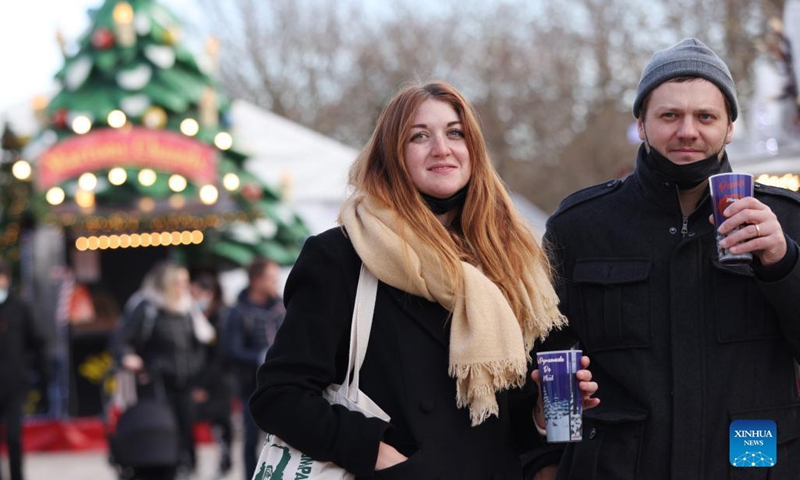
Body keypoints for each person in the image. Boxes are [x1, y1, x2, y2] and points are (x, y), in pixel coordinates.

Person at [248, 81, 599, 479]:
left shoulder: (506, 261)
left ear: (474, 150)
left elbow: (496, 428)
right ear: (391, 156)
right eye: (419, 136)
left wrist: (539, 415)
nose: (442, 148)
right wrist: (378, 455)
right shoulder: (343, 255)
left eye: (455, 133)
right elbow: (279, 396)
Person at [542, 38, 800, 479]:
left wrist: (782, 263)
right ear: (641, 124)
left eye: (705, 116)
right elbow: (541, 358)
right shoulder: (580, 226)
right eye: (669, 115)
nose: (687, 131)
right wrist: (542, 463)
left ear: (730, 127)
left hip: (752, 465)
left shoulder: (786, 219)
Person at [118, 262, 214, 477]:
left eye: (185, 282)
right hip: (158, 384)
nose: (184, 287)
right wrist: (128, 357)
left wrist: (200, 375)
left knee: (187, 429)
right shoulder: (148, 307)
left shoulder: (188, 309)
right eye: (179, 283)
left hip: (187, 383)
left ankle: (187, 467)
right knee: (166, 432)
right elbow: (122, 340)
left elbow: (201, 343)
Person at [224, 257, 285, 480]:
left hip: (280, 387)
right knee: (250, 440)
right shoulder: (238, 311)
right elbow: (231, 350)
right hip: (251, 387)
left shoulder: (282, 307)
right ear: (257, 281)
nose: (275, 283)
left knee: (282, 439)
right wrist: (261, 357)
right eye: (271, 278)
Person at [0, 260, 50, 480]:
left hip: (13, 383)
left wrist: (42, 379)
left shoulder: (19, 309)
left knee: (13, 436)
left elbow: (36, 344)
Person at [190, 271, 233, 477]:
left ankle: (225, 462)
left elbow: (219, 356)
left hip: (218, 381)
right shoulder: (194, 316)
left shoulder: (221, 317)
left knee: (220, 424)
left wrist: (204, 385)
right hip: (201, 378)